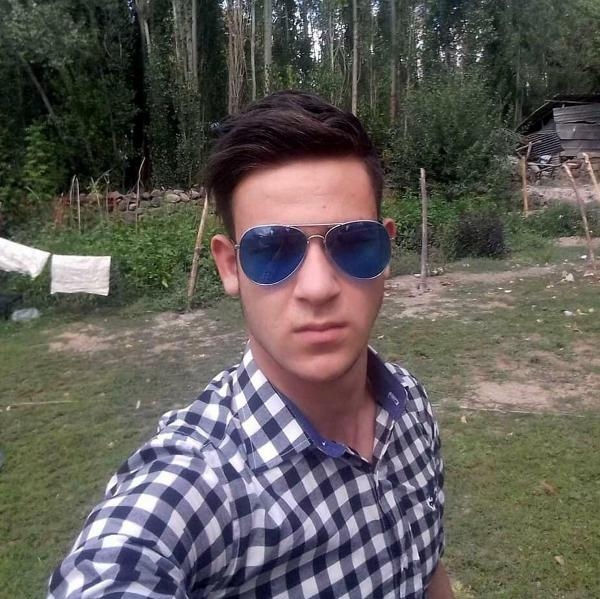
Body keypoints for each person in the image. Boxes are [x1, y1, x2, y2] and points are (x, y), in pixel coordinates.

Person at [48, 90, 453, 598]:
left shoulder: (409, 405)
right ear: (230, 267)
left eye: (353, 243)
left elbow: (426, 570)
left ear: (386, 250)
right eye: (273, 250)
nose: (318, 288)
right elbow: (120, 562)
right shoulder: (201, 479)